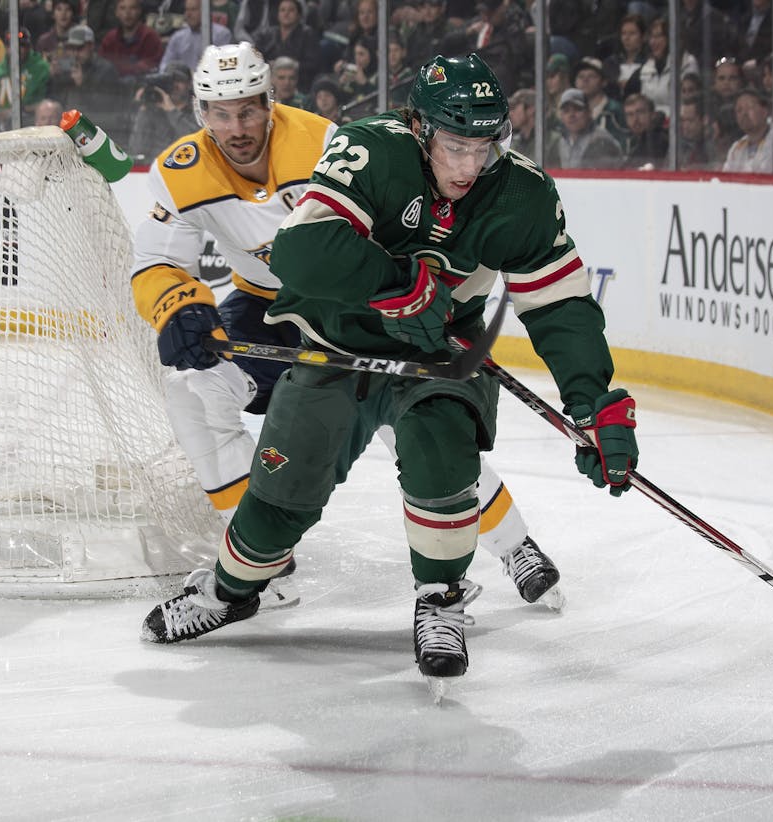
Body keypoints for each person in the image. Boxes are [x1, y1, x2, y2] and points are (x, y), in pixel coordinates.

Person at [140, 54, 635, 695]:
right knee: (277, 498)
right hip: (337, 342)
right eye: (453, 146)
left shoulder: (523, 194)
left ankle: (443, 599)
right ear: (420, 128)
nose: (466, 167)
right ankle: (231, 592)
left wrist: (594, 400)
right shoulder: (370, 149)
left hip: (440, 352)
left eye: (483, 147)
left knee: (442, 459)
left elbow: (561, 304)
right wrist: (396, 284)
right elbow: (301, 250)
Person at [552, 87, 624, 169]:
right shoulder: (561, 141)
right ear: (561, 116)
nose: (571, 115)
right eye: (566, 111)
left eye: (577, 109)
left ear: (589, 112)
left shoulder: (602, 141)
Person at [162, 0, 233, 73]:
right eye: (186, 9)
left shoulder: (222, 34)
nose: (188, 14)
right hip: (183, 81)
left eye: (193, 9)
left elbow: (224, 68)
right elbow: (164, 66)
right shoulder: (177, 37)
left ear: (205, 11)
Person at [721, 87, 773, 173]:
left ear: (765, 111)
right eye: (739, 110)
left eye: (750, 108)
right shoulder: (736, 148)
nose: (744, 114)